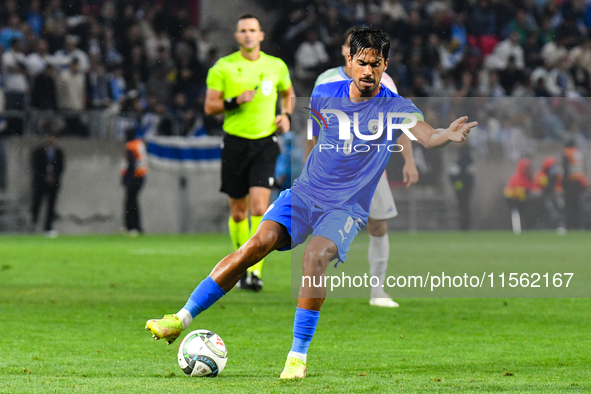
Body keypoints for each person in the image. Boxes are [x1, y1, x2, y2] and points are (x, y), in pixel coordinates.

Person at [146, 27, 475, 379]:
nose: (368, 71)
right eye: (361, 63)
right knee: (255, 245)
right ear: (348, 61)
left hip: (345, 208)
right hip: (304, 195)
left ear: (386, 65)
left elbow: (426, 135)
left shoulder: (395, 107)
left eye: (376, 65)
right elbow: (314, 138)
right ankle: (179, 319)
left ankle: (297, 357)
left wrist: (445, 136)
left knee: (314, 258)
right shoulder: (324, 94)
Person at [311, 26, 419, 308]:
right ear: (346, 53)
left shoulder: (387, 83)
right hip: (331, 171)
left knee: (379, 226)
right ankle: (312, 286)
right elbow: (315, 127)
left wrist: (409, 160)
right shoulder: (326, 81)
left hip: (370, 170)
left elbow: (401, 123)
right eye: (351, 47)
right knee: (316, 230)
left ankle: (377, 290)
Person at [203, 13, 295, 291]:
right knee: (239, 213)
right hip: (234, 143)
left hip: (265, 143)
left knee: (259, 207)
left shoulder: (276, 66)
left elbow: (288, 93)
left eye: (252, 30)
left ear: (261, 35)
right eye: (242, 30)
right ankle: (242, 265)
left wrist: (286, 114)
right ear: (237, 36)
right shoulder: (223, 67)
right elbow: (210, 107)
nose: (247, 34)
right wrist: (234, 101)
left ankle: (253, 272)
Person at [31, 133, 65, 237]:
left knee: (51, 206)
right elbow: (35, 166)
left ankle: (48, 228)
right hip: (40, 182)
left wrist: (53, 177)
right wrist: (44, 177)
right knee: (37, 204)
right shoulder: (39, 151)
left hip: (53, 183)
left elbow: (61, 167)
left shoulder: (58, 152)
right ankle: (33, 226)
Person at [120, 128, 148, 235]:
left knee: (130, 202)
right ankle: (133, 226)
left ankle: (132, 226)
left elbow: (131, 163)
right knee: (132, 201)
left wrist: (127, 178)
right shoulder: (139, 144)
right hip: (141, 175)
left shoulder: (131, 145)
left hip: (135, 177)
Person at [562, 140, 589, 229]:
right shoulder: (578, 153)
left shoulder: (566, 153)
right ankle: (578, 224)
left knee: (570, 205)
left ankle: (570, 225)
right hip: (578, 182)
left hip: (570, 183)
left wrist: (563, 183)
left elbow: (565, 170)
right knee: (577, 205)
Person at [504, 158, 535, 234]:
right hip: (516, 201)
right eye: (527, 168)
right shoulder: (516, 178)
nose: (529, 170)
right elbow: (512, 193)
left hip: (525, 201)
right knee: (516, 214)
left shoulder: (529, 178)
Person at [449, 144, 474, 230]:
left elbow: (461, 170)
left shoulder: (464, 155)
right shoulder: (463, 154)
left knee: (464, 205)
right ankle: (464, 225)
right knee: (463, 206)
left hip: (463, 185)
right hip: (462, 184)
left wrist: (457, 181)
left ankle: (465, 226)